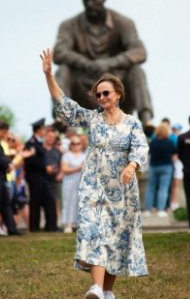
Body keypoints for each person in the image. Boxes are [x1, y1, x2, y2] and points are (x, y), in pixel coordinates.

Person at [42, 48, 149, 299]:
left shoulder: (132, 123)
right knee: (95, 231)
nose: (101, 97)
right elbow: (65, 106)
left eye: (106, 93)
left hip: (122, 190)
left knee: (116, 238)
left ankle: (108, 291)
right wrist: (48, 75)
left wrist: (132, 165)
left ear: (118, 94)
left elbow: (141, 147)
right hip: (94, 188)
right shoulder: (93, 119)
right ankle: (97, 288)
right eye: (98, 94)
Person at [53, 0, 153, 124]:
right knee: (63, 71)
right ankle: (61, 121)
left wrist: (108, 63)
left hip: (116, 85)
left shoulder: (123, 23)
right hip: (84, 86)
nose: (89, 3)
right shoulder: (69, 25)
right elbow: (59, 52)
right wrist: (85, 63)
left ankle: (146, 121)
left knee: (137, 71)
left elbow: (139, 52)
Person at [24, 119, 58, 232]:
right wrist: (45, 167)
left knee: (49, 200)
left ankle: (51, 226)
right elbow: (31, 161)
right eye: (43, 129)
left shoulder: (38, 143)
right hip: (34, 177)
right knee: (35, 202)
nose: (45, 131)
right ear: (39, 130)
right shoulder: (31, 143)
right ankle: (34, 227)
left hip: (42, 177)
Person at [144, 122, 176, 218]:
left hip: (154, 167)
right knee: (163, 188)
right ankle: (161, 210)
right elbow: (174, 154)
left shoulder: (153, 142)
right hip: (166, 167)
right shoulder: (170, 142)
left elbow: (149, 154)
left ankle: (148, 210)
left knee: (150, 188)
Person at [60, 135, 86, 233]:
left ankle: (78, 224)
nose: (75, 146)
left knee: (80, 202)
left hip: (81, 182)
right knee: (68, 202)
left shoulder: (85, 155)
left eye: (77, 143)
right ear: (70, 145)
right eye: (73, 144)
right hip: (69, 181)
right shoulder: (67, 155)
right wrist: (79, 167)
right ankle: (68, 224)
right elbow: (64, 169)